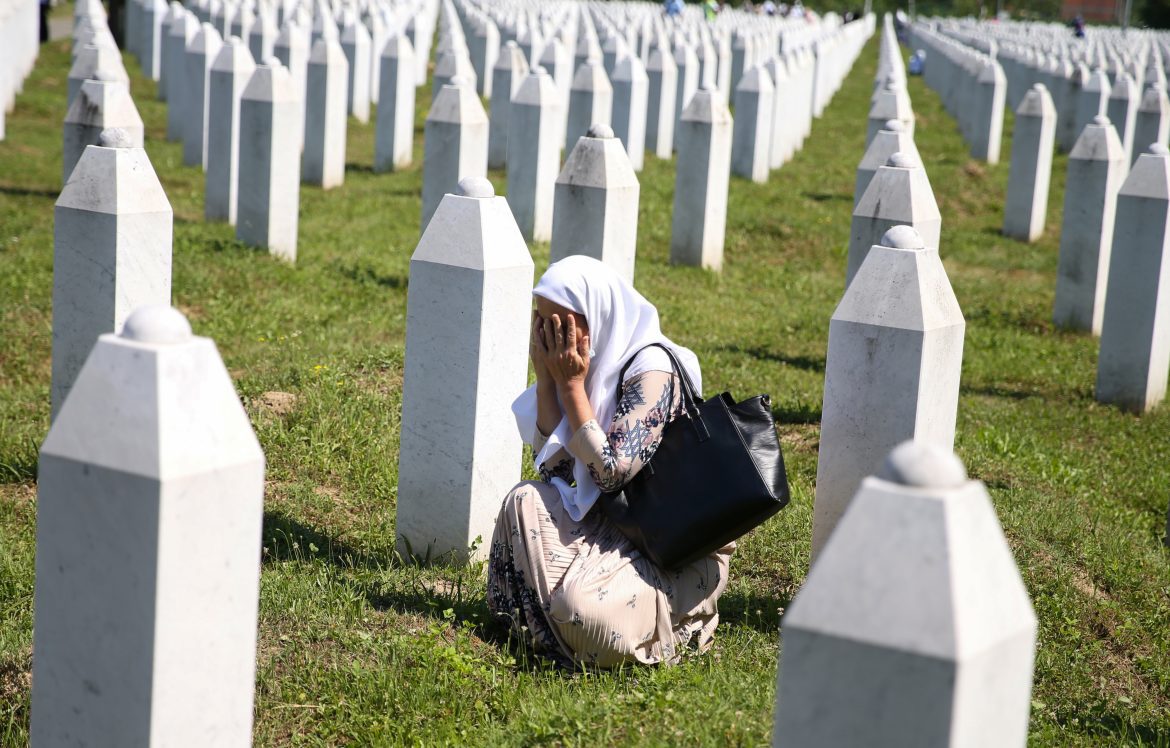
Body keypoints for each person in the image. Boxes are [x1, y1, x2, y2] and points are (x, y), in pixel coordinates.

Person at [487, 257, 734, 668]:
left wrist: (570, 386)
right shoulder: (590, 369)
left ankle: (682, 622)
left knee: (579, 605)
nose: (555, 340)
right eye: (545, 327)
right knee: (523, 500)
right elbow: (557, 472)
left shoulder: (653, 371)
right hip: (612, 523)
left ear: (596, 316)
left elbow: (610, 472)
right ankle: (546, 630)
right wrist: (547, 378)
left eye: (563, 327)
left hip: (668, 546)